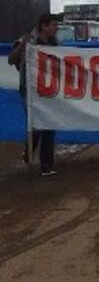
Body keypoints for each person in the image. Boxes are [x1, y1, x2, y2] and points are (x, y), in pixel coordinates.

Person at [7, 14, 60, 176]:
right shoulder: (28, 40)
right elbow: (11, 59)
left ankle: (46, 166)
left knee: (49, 125)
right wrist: (23, 44)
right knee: (37, 125)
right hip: (29, 90)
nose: (56, 28)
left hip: (47, 89)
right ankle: (30, 150)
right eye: (53, 25)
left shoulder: (54, 42)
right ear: (43, 26)